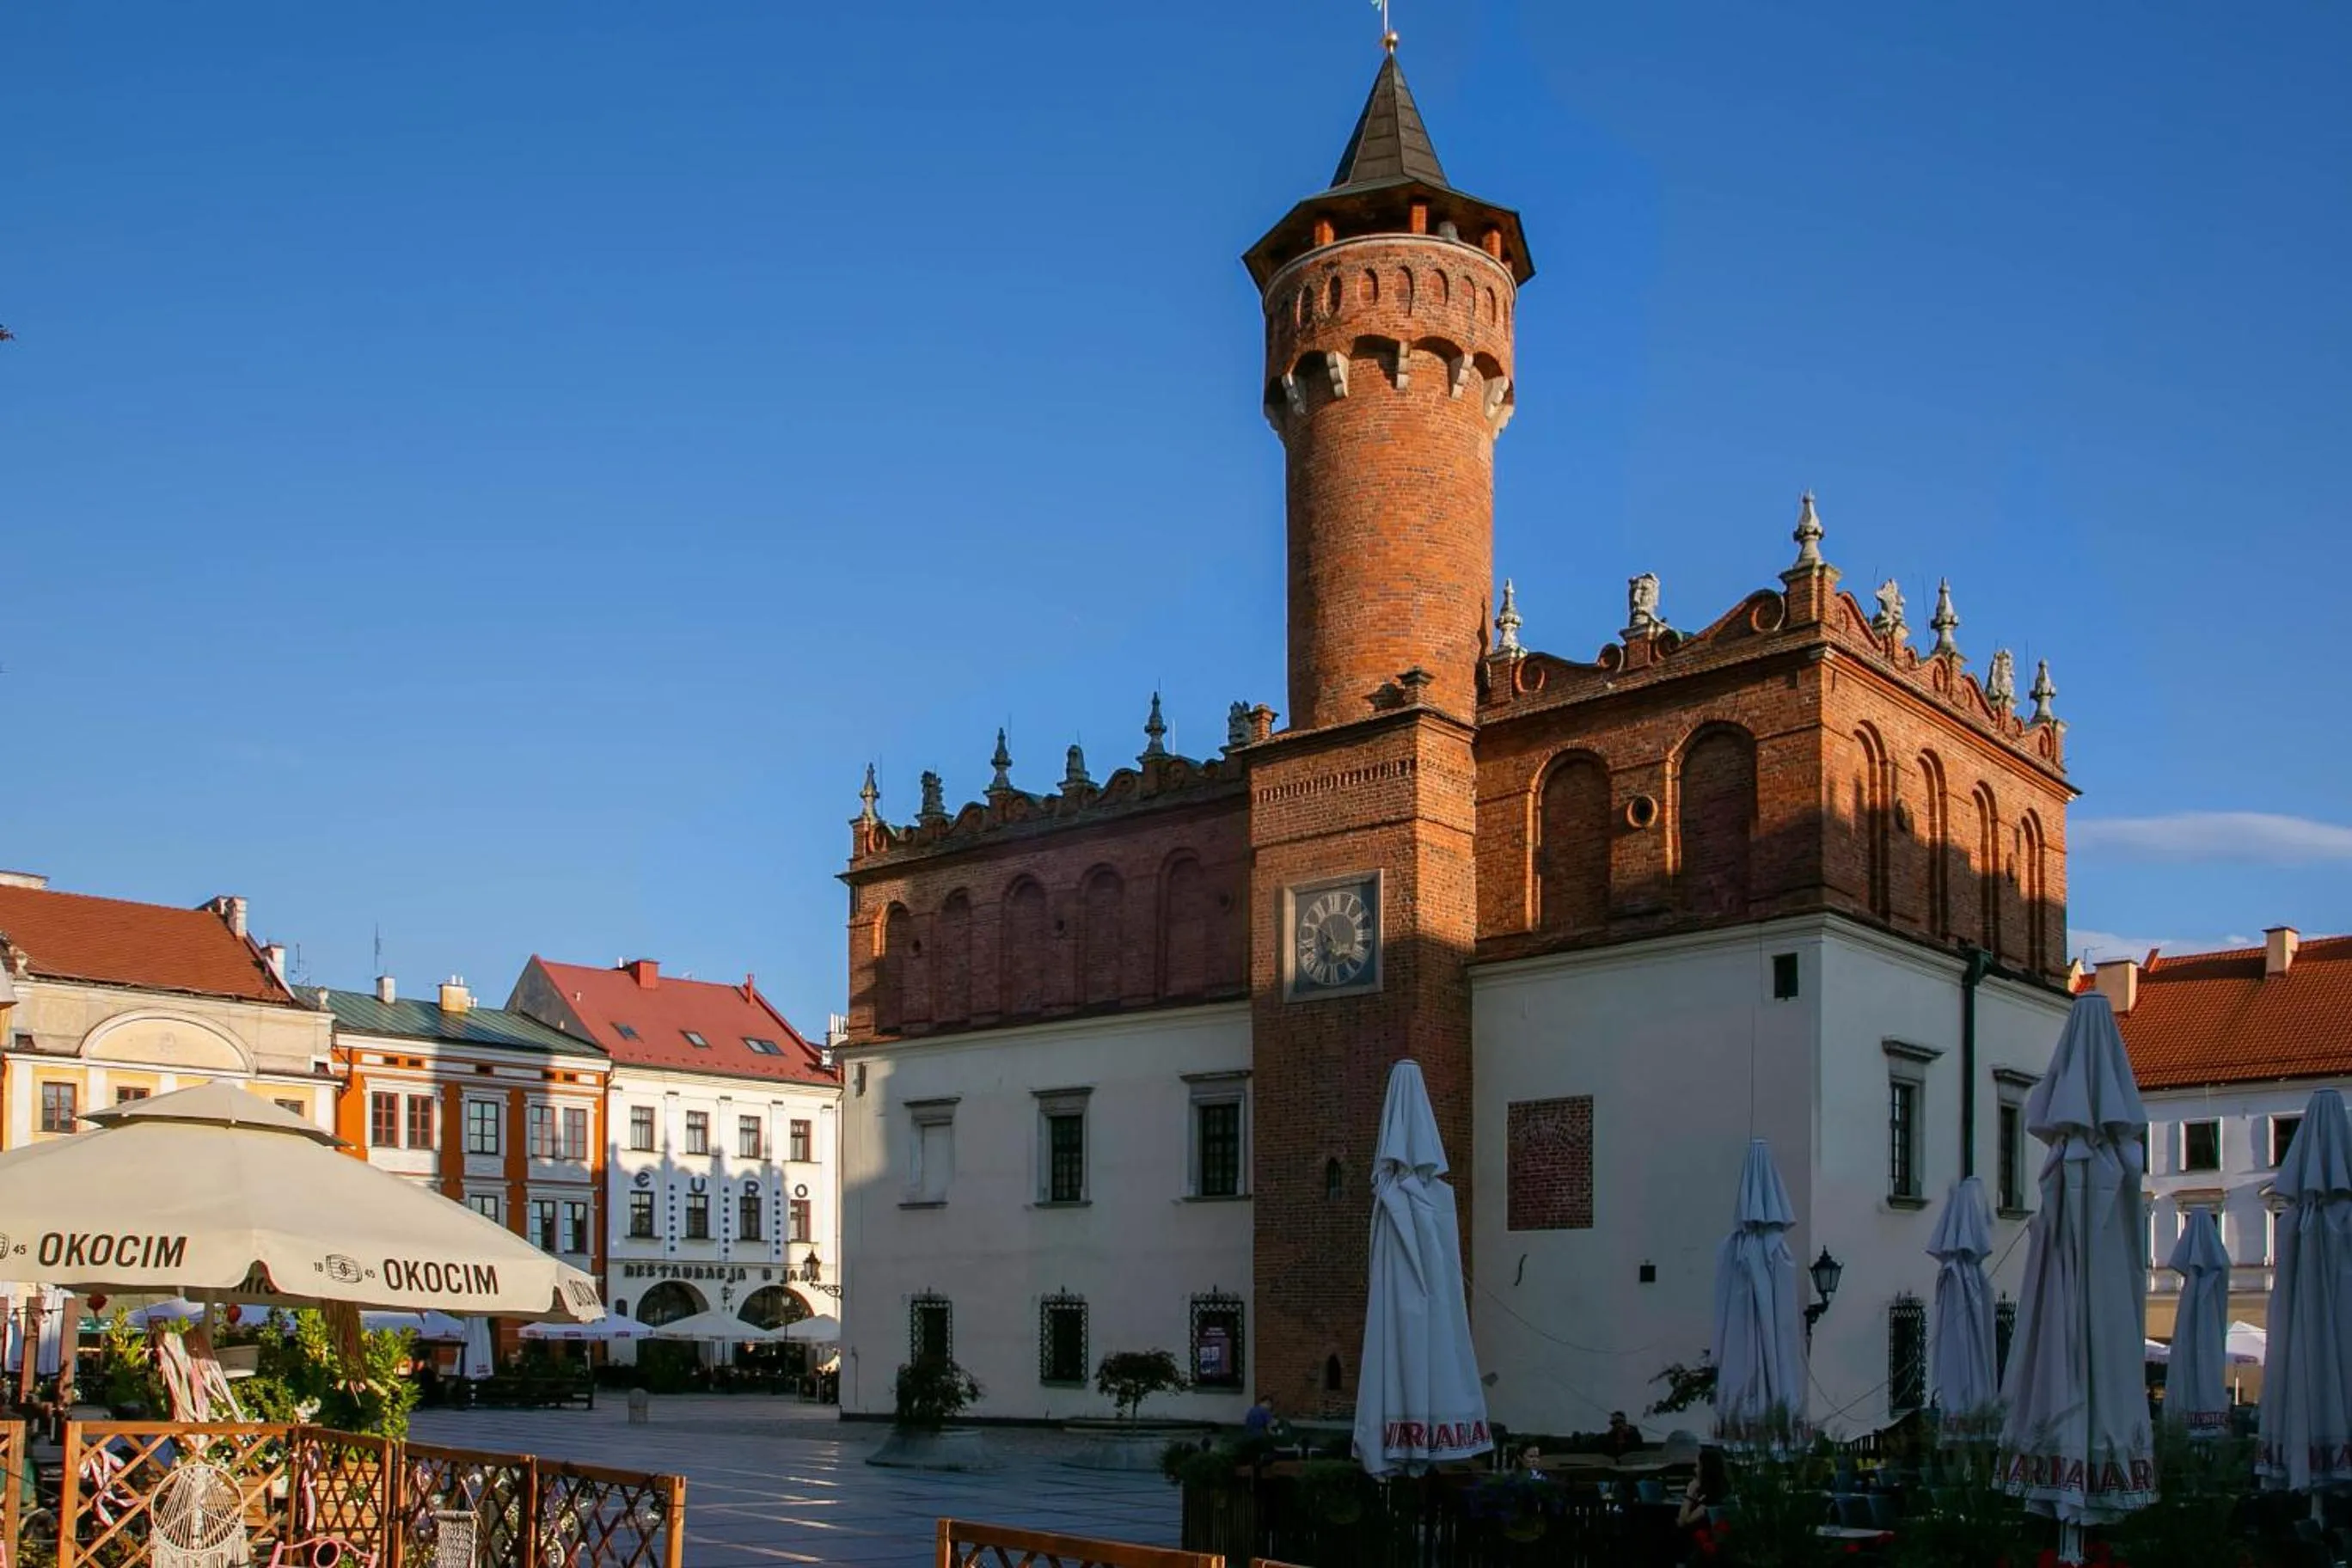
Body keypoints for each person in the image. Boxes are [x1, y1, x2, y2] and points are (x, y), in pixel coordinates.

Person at [1676, 1445, 1731, 1530]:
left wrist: (1689, 1494)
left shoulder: (1709, 1502)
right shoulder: (1723, 1492)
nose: (1694, 1470)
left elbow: (1682, 1522)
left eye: (1697, 1466)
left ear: (1705, 1469)